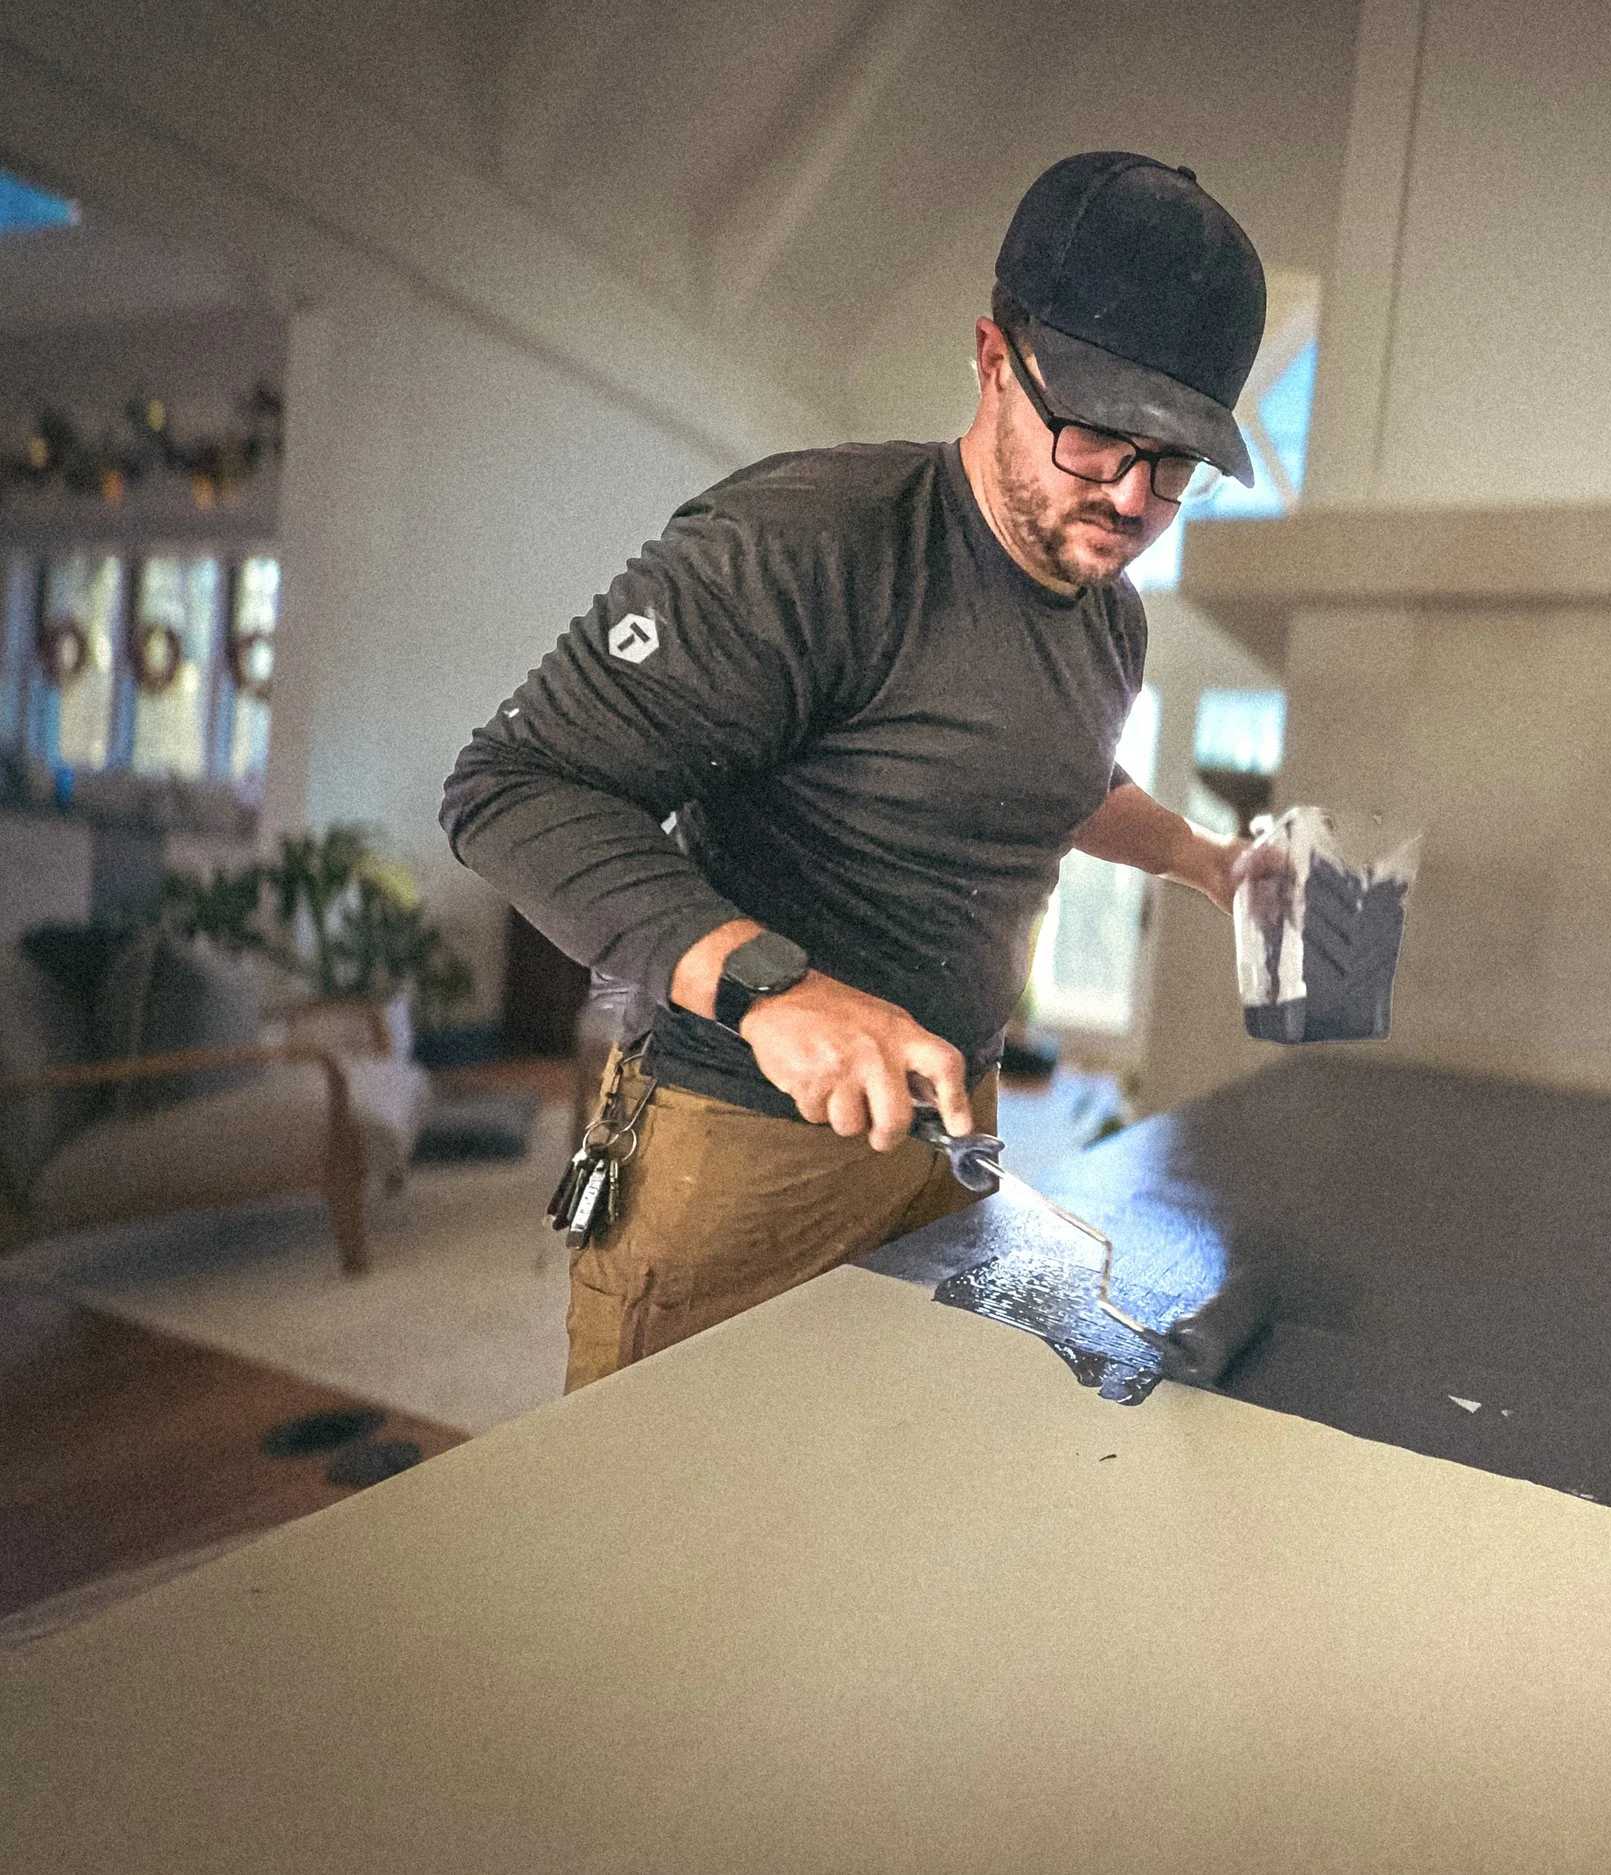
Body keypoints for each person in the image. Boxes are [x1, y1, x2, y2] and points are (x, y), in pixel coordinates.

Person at [441, 152, 1268, 1390]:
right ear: (995, 360)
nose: (1133, 498)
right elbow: (510, 785)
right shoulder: (808, 547)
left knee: (870, 1513)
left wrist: (1209, 863)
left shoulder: (1109, 615)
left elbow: (1055, 778)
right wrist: (775, 990)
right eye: (1097, 435)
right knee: (658, 1561)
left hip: (953, 1136)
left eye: (1176, 460)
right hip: (738, 1143)